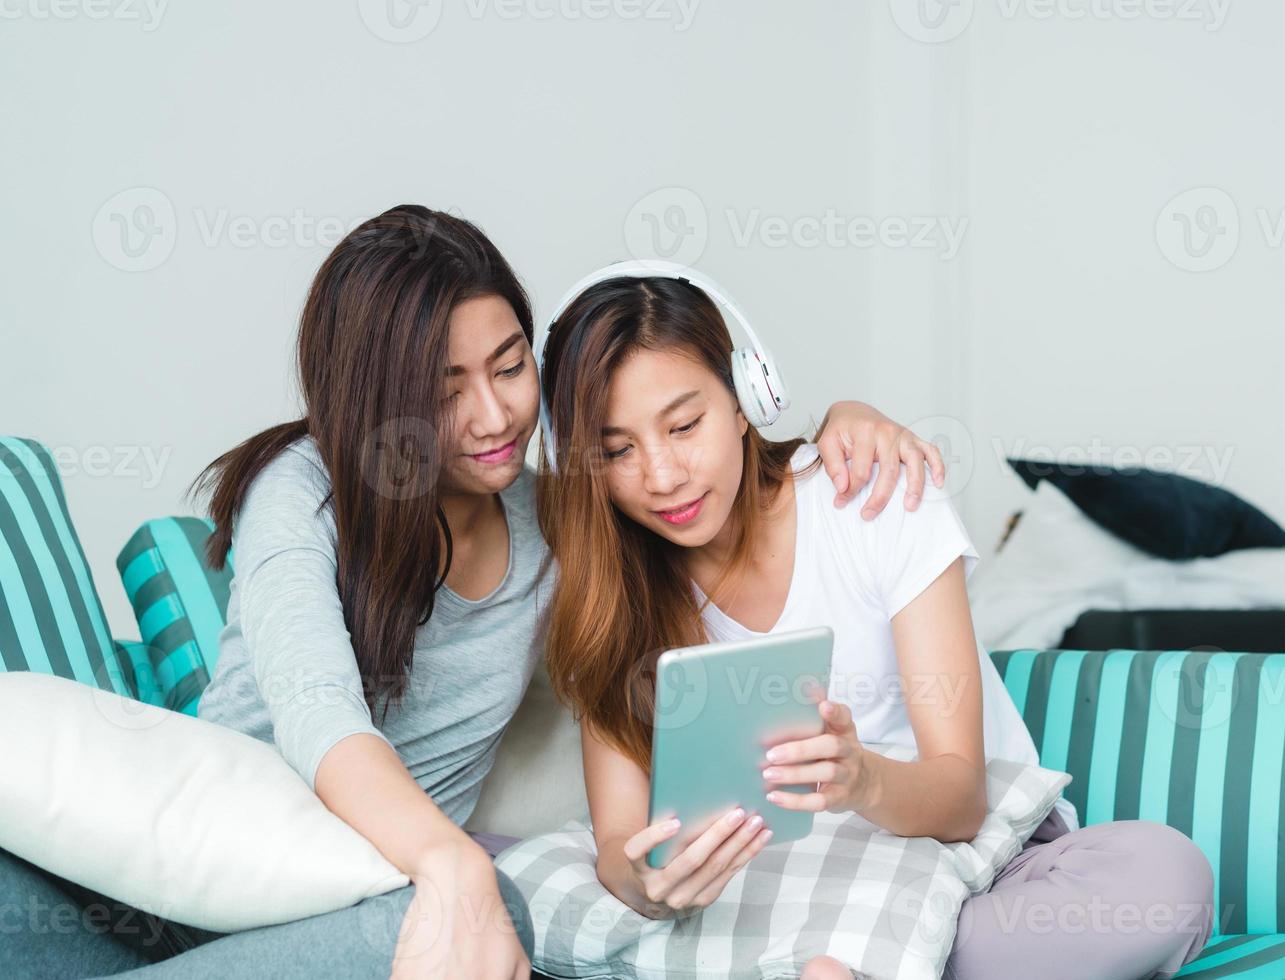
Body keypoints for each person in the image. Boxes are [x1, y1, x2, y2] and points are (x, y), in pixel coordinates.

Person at [0, 206, 947, 980]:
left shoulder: (567, 520)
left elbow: (692, 468)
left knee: (458, 927)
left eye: (508, 367)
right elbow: (320, 715)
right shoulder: (307, 488)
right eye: (447, 387)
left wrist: (843, 421)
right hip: (204, 872)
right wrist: (454, 863)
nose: (494, 416)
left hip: (358, 912)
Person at [527, 271, 1217, 979]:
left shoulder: (876, 498)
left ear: (746, 400)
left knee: (1164, 880)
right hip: (770, 890)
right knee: (520, 883)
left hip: (946, 855)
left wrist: (862, 782)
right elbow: (617, 839)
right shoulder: (606, 590)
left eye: (684, 425)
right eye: (617, 451)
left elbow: (960, 800)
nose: (663, 474)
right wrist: (651, 887)